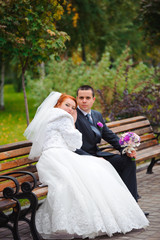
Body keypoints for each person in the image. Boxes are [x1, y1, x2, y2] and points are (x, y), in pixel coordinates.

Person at [24, 91, 149, 240]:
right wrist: (74, 120)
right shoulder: (63, 117)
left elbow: (106, 135)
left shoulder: (48, 116)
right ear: (58, 104)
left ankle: (129, 204)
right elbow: (76, 143)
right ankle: (118, 212)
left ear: (93, 99)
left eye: (72, 107)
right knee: (98, 171)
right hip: (61, 156)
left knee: (90, 174)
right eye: (67, 105)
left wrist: (126, 148)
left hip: (48, 159)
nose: (70, 109)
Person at [75, 85, 138, 202]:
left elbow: (109, 135)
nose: (84, 101)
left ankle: (132, 204)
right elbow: (72, 146)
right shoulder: (73, 116)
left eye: (87, 98)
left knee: (128, 160)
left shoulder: (96, 115)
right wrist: (94, 160)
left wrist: (127, 149)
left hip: (98, 155)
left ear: (93, 100)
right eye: (81, 97)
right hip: (82, 159)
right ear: (77, 99)